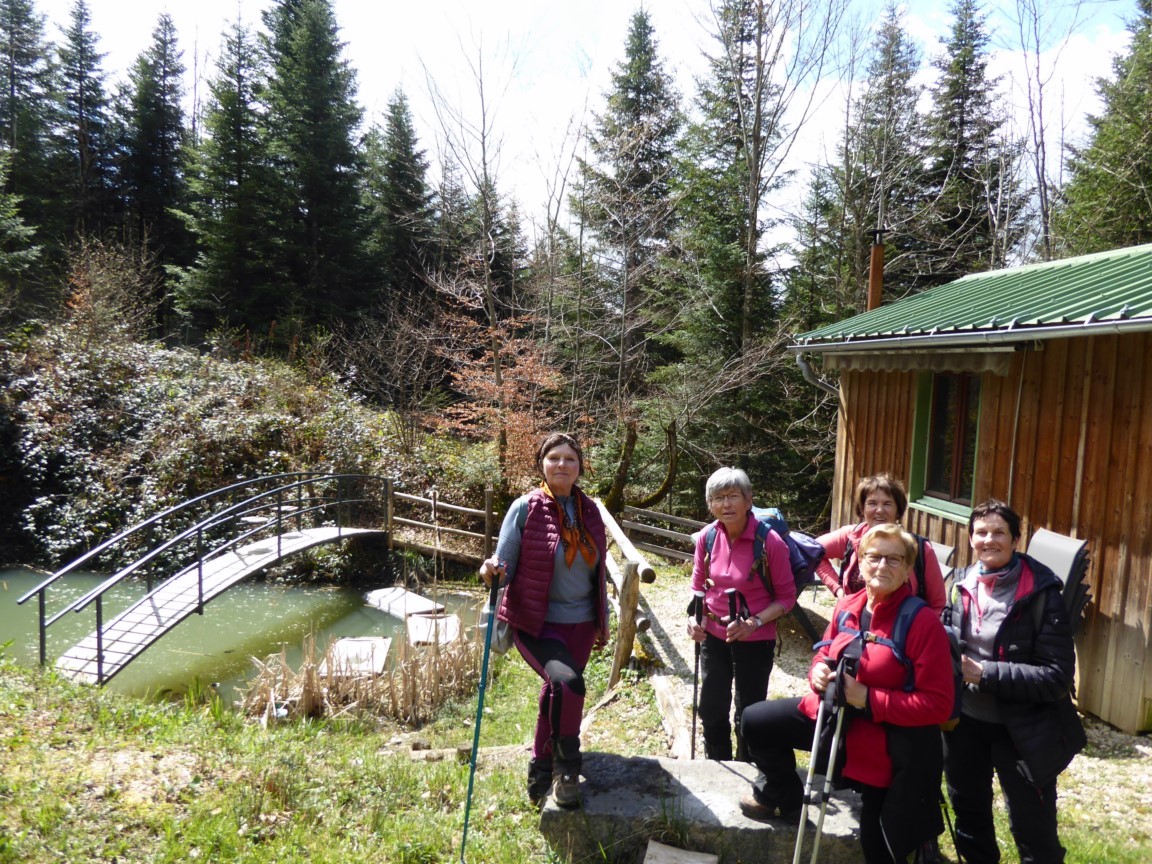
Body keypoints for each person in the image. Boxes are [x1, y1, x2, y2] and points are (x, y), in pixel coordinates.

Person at [740, 524, 954, 863]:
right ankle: (786, 795)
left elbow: (938, 705)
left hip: (886, 739)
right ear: (860, 562)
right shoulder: (849, 606)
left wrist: (868, 698)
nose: (882, 566)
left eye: (894, 559)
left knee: (878, 842)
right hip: (834, 718)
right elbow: (824, 652)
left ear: (909, 568)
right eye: (874, 557)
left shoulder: (922, 622)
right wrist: (818, 673)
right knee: (756, 720)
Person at [942, 500, 1086, 863]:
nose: (989, 540)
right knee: (970, 816)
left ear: (1016, 539)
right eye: (981, 532)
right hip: (965, 725)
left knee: (1033, 829)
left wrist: (983, 673)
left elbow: (1056, 678)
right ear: (971, 537)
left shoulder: (1042, 593)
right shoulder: (958, 582)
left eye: (999, 532)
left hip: (1022, 728)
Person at [478, 433, 609, 809]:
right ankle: (567, 767)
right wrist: (491, 570)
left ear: (580, 466)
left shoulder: (591, 511)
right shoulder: (525, 508)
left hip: (581, 622)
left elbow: (596, 572)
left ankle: (539, 769)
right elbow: (502, 567)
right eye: (554, 458)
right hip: (536, 621)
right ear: (542, 465)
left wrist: (602, 619)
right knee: (568, 685)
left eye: (570, 458)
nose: (562, 465)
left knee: (557, 693)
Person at [685, 467, 796, 761]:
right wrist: (694, 621)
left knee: (748, 712)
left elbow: (787, 597)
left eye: (733, 496)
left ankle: (748, 768)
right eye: (718, 498)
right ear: (710, 504)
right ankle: (716, 764)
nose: (726, 504)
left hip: (755, 638)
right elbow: (698, 588)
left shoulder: (769, 542)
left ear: (749, 500)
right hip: (714, 635)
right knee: (711, 707)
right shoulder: (707, 538)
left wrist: (754, 622)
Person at [816, 473, 947, 613]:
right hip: (854, 624)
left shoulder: (920, 549)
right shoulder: (851, 535)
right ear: (862, 509)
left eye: (887, 504)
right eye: (872, 503)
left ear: (898, 510)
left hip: (901, 629)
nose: (879, 510)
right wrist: (838, 590)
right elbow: (813, 550)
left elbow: (937, 604)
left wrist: (918, 631)